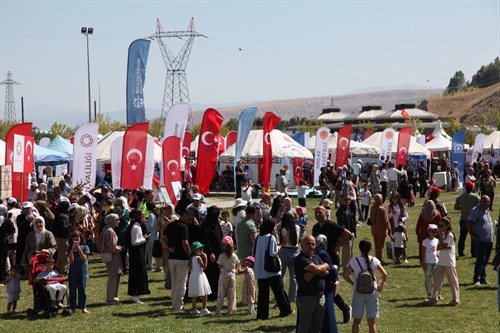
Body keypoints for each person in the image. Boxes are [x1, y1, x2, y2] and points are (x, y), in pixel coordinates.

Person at [312, 205, 352, 324]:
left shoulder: (331, 225)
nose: (318, 214)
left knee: (329, 287)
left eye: (320, 212)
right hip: (319, 259)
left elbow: (348, 234)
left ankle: (345, 308)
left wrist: (337, 247)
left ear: (326, 213)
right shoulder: (315, 228)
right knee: (322, 287)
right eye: (316, 212)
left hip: (331, 259)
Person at [343, 238, 388, 333]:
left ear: (360, 249)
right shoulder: (374, 260)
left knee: (357, 321)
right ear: (370, 248)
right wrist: (381, 284)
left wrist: (353, 283)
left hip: (358, 291)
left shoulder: (355, 261)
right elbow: (385, 274)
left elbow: (345, 274)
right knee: (372, 322)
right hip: (372, 291)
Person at [253, 218, 292, 320]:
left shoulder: (258, 237)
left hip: (260, 270)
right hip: (271, 271)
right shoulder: (271, 238)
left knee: (263, 294)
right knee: (279, 291)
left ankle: (262, 315)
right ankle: (285, 310)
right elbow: (272, 253)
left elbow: (254, 252)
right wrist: (279, 248)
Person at [294, 234, 330, 333]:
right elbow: (319, 269)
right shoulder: (301, 259)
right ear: (301, 245)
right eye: (308, 244)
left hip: (320, 296)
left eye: (313, 244)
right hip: (306, 298)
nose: (311, 246)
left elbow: (327, 271)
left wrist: (314, 273)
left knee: (317, 327)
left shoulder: (316, 257)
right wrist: (321, 268)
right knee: (304, 326)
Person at [427, 219, 460, 306]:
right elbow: (440, 247)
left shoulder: (449, 235)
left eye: (442, 226)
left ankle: (455, 299)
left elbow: (441, 246)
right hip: (441, 260)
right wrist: (443, 244)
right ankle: (434, 297)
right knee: (437, 278)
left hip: (449, 261)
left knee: (452, 281)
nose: (440, 228)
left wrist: (441, 238)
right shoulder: (443, 235)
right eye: (439, 226)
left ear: (447, 226)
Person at [165, 211, 192, 311]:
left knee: (174, 281)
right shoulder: (183, 227)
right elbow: (185, 243)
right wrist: (190, 255)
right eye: (189, 219)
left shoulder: (171, 225)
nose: (189, 222)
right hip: (182, 258)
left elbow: (163, 238)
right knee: (181, 282)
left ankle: (174, 302)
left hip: (172, 257)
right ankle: (178, 305)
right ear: (184, 216)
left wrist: (168, 247)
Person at [467, 195, 494, 285]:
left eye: (488, 202)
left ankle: (483, 278)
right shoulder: (476, 210)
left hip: (488, 239)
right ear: (480, 201)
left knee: (485, 260)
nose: (487, 203)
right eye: (485, 201)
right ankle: (476, 279)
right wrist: (472, 235)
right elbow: (469, 222)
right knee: (480, 259)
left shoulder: (486, 210)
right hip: (480, 239)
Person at [125, 209, 151, 304]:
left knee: (139, 272)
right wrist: (144, 239)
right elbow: (134, 242)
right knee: (136, 273)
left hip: (137, 252)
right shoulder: (136, 227)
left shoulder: (136, 225)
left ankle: (137, 294)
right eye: (143, 216)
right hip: (136, 253)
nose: (144, 218)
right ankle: (134, 294)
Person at [314, 235, 339, 333]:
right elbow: (332, 269)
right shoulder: (323, 253)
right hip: (327, 285)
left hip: (314, 286)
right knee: (328, 312)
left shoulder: (312, 253)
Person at [200, 205, 223, 301]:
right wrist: (210, 252)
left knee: (218, 273)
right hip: (211, 253)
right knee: (210, 273)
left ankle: (218, 292)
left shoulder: (216, 223)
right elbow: (206, 239)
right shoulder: (206, 225)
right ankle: (210, 294)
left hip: (218, 252)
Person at [99, 213, 122, 305]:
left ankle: (112, 297)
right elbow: (112, 247)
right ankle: (110, 299)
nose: (118, 221)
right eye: (117, 220)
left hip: (109, 256)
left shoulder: (106, 229)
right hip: (112, 257)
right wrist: (120, 248)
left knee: (112, 277)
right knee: (113, 277)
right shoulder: (110, 231)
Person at [454, 181, 480, 257]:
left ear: (465, 187)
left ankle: (461, 251)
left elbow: (455, 207)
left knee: (462, 236)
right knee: (474, 236)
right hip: (473, 220)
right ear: (472, 188)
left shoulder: (460, 197)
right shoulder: (476, 197)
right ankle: (474, 252)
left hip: (463, 219)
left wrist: (462, 208)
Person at [216, 236, 240, 315]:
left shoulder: (222, 256)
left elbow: (219, 265)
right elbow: (237, 264)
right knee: (231, 293)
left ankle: (218, 310)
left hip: (224, 274)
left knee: (221, 292)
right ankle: (230, 310)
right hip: (232, 274)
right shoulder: (234, 256)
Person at [68, 230, 90, 314]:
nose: (76, 240)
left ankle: (83, 307)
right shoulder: (70, 248)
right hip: (73, 270)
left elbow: (84, 259)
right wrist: (72, 251)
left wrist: (79, 250)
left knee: (82, 288)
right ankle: (72, 307)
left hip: (82, 270)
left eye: (77, 238)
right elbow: (71, 261)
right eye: (74, 238)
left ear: (81, 239)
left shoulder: (85, 247)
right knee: (72, 289)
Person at [279, 212, 300, 302]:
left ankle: (281, 294)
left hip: (285, 251)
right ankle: (293, 296)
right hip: (295, 251)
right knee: (293, 276)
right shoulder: (297, 228)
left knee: (281, 274)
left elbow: (283, 242)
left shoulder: (284, 229)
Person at [188, 241, 212, 315]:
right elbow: (204, 267)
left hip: (193, 275)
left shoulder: (191, 258)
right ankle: (204, 308)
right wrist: (206, 258)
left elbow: (190, 268)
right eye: (199, 249)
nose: (202, 250)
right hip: (199, 275)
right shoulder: (198, 258)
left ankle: (194, 309)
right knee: (205, 292)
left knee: (194, 293)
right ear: (195, 251)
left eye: (202, 248)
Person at [369, 194, 392, 263]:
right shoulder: (382, 209)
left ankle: (377, 258)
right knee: (380, 246)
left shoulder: (372, 207)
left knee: (376, 245)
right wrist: (389, 229)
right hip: (381, 230)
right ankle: (379, 259)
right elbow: (386, 221)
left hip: (374, 229)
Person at [336, 195, 356, 269]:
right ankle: (346, 268)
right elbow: (341, 225)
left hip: (351, 234)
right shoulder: (340, 211)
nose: (347, 201)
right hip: (345, 235)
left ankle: (350, 267)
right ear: (341, 200)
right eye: (345, 199)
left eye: (349, 199)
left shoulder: (348, 208)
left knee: (350, 252)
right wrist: (345, 235)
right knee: (346, 253)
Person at [421, 224, 439, 301]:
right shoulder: (425, 242)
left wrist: (438, 254)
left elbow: (437, 250)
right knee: (428, 278)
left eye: (435, 232)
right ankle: (429, 293)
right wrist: (423, 262)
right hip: (428, 262)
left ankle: (438, 293)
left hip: (435, 262)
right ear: (428, 232)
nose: (434, 233)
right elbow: (423, 252)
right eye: (432, 231)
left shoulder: (437, 240)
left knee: (437, 278)